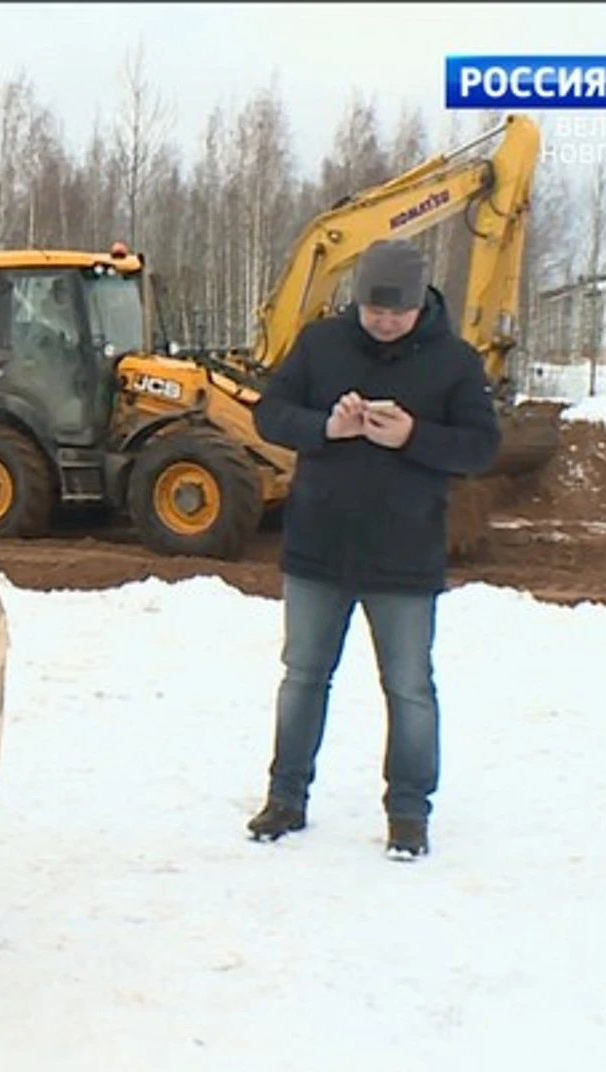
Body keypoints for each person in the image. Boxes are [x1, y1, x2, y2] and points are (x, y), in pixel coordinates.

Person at [244, 238, 502, 860]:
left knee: (409, 687)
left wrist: (415, 435)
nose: (384, 322)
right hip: (318, 547)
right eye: (373, 310)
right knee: (303, 677)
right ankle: (286, 798)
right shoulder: (320, 345)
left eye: (397, 312)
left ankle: (409, 813)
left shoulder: (455, 362)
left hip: (405, 556)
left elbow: (481, 446)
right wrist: (323, 429)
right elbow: (269, 414)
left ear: (420, 305)